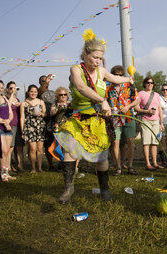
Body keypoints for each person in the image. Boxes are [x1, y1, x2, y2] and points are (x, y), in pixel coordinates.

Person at [53, 28, 133, 204]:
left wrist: (128, 79)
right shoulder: (76, 69)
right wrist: (101, 100)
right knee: (69, 153)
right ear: (85, 54)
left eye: (100, 58)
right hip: (78, 119)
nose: (97, 61)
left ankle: (105, 189)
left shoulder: (102, 72)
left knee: (101, 158)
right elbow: (81, 87)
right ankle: (68, 188)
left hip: (98, 121)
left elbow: (115, 78)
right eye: (94, 57)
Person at [105, 65, 139, 176]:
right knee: (115, 142)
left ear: (123, 75)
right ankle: (118, 167)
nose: (117, 77)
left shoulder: (130, 86)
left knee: (130, 141)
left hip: (129, 117)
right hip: (115, 119)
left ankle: (130, 166)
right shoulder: (108, 88)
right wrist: (109, 109)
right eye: (115, 75)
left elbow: (137, 100)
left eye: (120, 75)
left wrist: (128, 107)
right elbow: (104, 101)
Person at [135, 76, 164, 171]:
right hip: (145, 120)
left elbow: (159, 109)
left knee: (155, 143)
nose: (150, 84)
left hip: (156, 121)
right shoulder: (141, 94)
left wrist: (161, 123)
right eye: (148, 82)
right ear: (144, 84)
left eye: (151, 83)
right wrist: (147, 111)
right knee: (146, 142)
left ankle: (155, 162)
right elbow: (136, 108)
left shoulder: (156, 95)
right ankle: (148, 163)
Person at [20, 84, 46, 173]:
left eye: (35, 91)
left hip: (40, 126)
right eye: (31, 91)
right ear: (28, 92)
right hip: (29, 126)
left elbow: (44, 114)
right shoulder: (24, 103)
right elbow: (22, 117)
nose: (33, 93)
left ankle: (39, 168)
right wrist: (22, 130)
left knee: (40, 149)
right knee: (32, 148)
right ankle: (33, 168)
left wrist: (41, 114)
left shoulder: (41, 102)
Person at [0, 79, 15, 181]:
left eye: (2, 87)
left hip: (8, 127)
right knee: (3, 150)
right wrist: (3, 122)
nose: (0, 89)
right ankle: (2, 173)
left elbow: (10, 112)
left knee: (8, 152)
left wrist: (8, 121)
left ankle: (7, 172)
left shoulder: (4, 98)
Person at [5, 81, 25, 173]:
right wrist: (12, 96)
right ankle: (8, 167)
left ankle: (20, 166)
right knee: (10, 148)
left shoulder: (17, 99)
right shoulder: (5, 98)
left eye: (15, 88)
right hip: (10, 125)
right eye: (11, 88)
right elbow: (7, 106)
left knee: (19, 147)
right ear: (7, 90)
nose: (13, 90)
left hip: (18, 125)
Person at [38, 74, 56, 171]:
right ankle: (50, 164)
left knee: (57, 142)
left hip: (54, 120)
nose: (45, 82)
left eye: (46, 80)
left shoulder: (53, 92)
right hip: (44, 121)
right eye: (43, 81)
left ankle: (61, 163)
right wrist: (47, 81)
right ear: (40, 83)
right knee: (47, 144)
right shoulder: (38, 92)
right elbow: (41, 90)